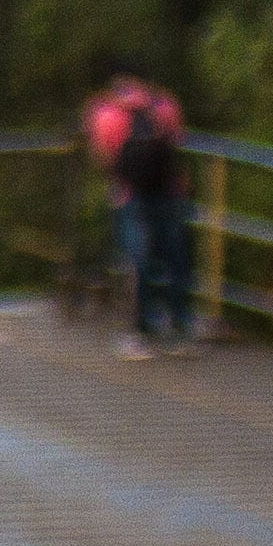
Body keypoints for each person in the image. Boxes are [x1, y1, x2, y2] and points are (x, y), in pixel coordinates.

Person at [90, 75, 194, 355]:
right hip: (170, 193)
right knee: (175, 258)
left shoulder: (107, 112)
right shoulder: (164, 104)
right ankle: (180, 328)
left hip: (130, 196)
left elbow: (104, 156)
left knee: (138, 261)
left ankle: (141, 331)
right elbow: (177, 142)